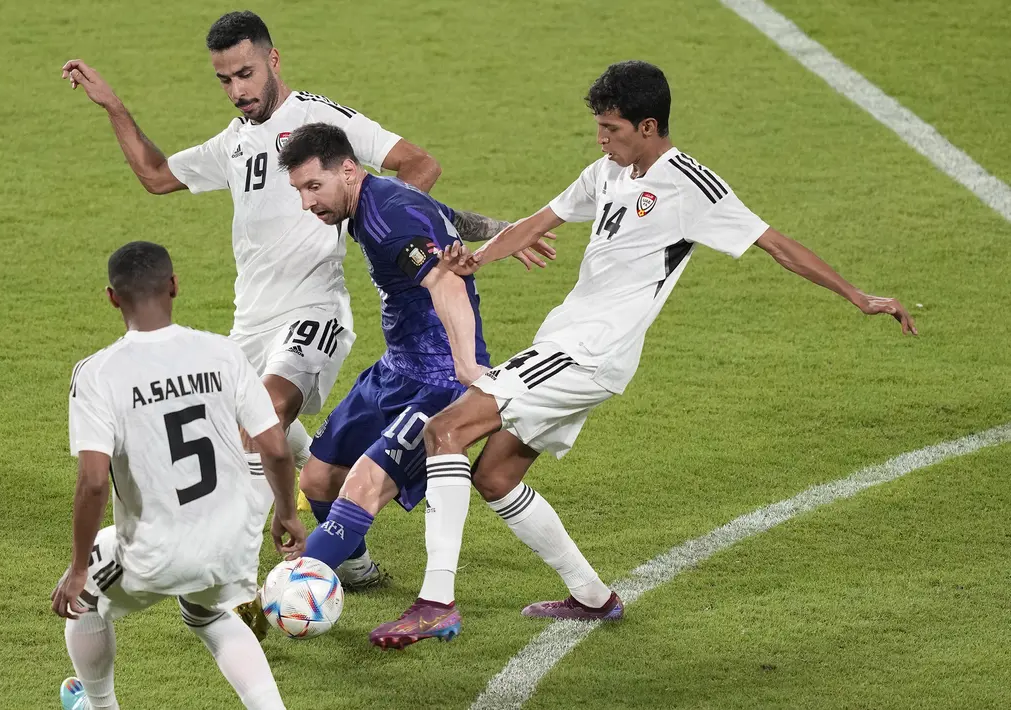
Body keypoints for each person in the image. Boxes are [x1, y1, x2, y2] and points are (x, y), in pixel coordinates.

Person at [371, 60, 918, 648]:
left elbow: (777, 245)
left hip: (589, 352)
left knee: (445, 432)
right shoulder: (607, 170)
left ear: (649, 126)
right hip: (564, 341)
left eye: (612, 128)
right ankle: (592, 597)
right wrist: (478, 258)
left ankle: (436, 602)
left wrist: (858, 296)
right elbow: (540, 221)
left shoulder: (691, 186)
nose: (602, 139)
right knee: (497, 475)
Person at [59, 10, 443, 588]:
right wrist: (114, 107)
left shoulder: (320, 119)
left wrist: (376, 225)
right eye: (225, 80)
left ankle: (229, 576)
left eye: (246, 74)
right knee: (278, 445)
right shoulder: (234, 142)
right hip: (251, 321)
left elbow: (419, 164)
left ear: (273, 61)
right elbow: (158, 176)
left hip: (315, 309)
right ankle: (349, 542)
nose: (238, 91)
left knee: (259, 421)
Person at [275, 123, 550, 640]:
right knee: (316, 480)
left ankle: (281, 595)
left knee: (361, 489)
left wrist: (466, 366)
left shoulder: (384, 222)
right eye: (300, 191)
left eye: (314, 187)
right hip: (397, 368)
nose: (307, 203)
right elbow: (447, 221)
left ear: (349, 169)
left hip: (439, 381)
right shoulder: (386, 196)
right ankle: (351, 571)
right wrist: (502, 232)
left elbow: (442, 280)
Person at [50, 241, 307, 710]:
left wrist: (79, 566)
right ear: (173, 285)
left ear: (112, 298)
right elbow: (275, 446)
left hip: (156, 551)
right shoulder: (223, 353)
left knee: (84, 596)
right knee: (207, 612)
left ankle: (100, 706)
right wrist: (286, 513)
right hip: (230, 541)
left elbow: (92, 481)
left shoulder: (97, 374)